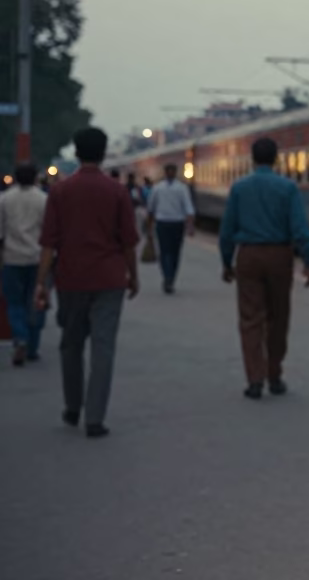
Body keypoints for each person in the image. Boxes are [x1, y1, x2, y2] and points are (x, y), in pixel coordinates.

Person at [36, 127, 140, 439]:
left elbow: (48, 244)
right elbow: (128, 242)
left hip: (70, 278)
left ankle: (72, 406)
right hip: (109, 279)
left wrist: (42, 283)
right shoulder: (117, 191)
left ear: (77, 153)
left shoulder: (60, 192)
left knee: (71, 344)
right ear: (104, 152)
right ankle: (95, 418)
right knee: (103, 349)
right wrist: (132, 276)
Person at [219, 138, 309, 399]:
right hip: (279, 255)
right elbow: (300, 228)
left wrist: (226, 262)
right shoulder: (288, 188)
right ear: (276, 159)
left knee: (250, 318)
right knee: (278, 317)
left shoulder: (239, 188)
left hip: (248, 255)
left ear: (252, 159)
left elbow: (227, 229)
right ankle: (274, 375)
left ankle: (254, 379)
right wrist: (308, 261)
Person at [0, 164, 48, 366]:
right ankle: (32, 347)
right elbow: (49, 232)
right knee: (36, 301)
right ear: (36, 177)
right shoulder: (44, 199)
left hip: (12, 258)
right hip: (38, 258)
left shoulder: (5, 199)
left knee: (14, 303)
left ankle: (20, 337)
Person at [146, 163, 195, 293]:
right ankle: (169, 277)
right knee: (172, 252)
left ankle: (168, 277)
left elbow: (150, 209)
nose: (171, 173)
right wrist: (190, 226)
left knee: (167, 252)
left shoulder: (158, 188)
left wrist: (149, 226)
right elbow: (189, 209)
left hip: (166, 224)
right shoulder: (181, 188)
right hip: (172, 224)